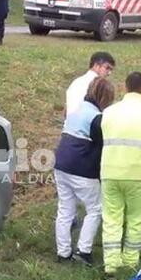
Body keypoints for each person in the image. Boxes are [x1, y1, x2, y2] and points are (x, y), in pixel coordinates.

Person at [100, 72, 141, 276]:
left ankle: (110, 263)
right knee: (136, 219)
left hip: (109, 172)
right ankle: (130, 261)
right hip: (136, 174)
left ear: (125, 87)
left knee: (111, 218)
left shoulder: (108, 112)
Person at [54, 77, 116, 266]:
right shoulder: (97, 118)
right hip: (82, 168)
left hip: (61, 164)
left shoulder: (76, 110)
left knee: (65, 210)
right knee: (95, 209)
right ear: (105, 97)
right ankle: (84, 250)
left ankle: (63, 253)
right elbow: (102, 145)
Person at [65, 52, 115, 117]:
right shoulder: (98, 85)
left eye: (111, 70)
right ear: (96, 65)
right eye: (107, 68)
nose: (109, 73)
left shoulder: (76, 82)